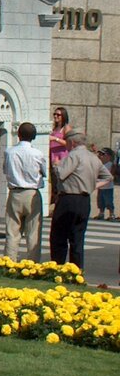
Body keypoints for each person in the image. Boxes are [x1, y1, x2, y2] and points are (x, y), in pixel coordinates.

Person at [51, 130, 111, 269]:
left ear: (72, 142)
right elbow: (108, 177)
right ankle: (76, 271)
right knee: (77, 239)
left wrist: (56, 165)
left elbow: (61, 174)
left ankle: (57, 269)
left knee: (59, 237)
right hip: (84, 200)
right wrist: (92, 186)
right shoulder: (93, 158)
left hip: (68, 198)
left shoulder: (74, 155)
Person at [2, 121, 47, 262]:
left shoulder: (9, 152)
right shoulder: (38, 154)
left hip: (15, 192)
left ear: (19, 135)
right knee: (33, 232)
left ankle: (9, 262)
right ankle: (33, 264)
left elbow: (5, 170)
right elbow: (44, 172)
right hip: (32, 193)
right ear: (34, 137)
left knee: (12, 231)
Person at [48, 107, 71, 202]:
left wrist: (55, 139)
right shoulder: (54, 128)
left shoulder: (66, 128)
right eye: (54, 114)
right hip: (53, 156)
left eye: (58, 115)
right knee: (54, 182)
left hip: (62, 157)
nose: (56, 116)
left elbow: (69, 143)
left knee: (61, 181)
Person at [95, 148, 115, 220]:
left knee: (109, 201)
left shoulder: (110, 165)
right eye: (99, 154)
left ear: (108, 157)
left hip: (108, 187)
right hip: (100, 186)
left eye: (102, 154)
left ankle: (111, 214)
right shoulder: (99, 165)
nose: (100, 156)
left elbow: (111, 175)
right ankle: (101, 213)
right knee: (100, 201)